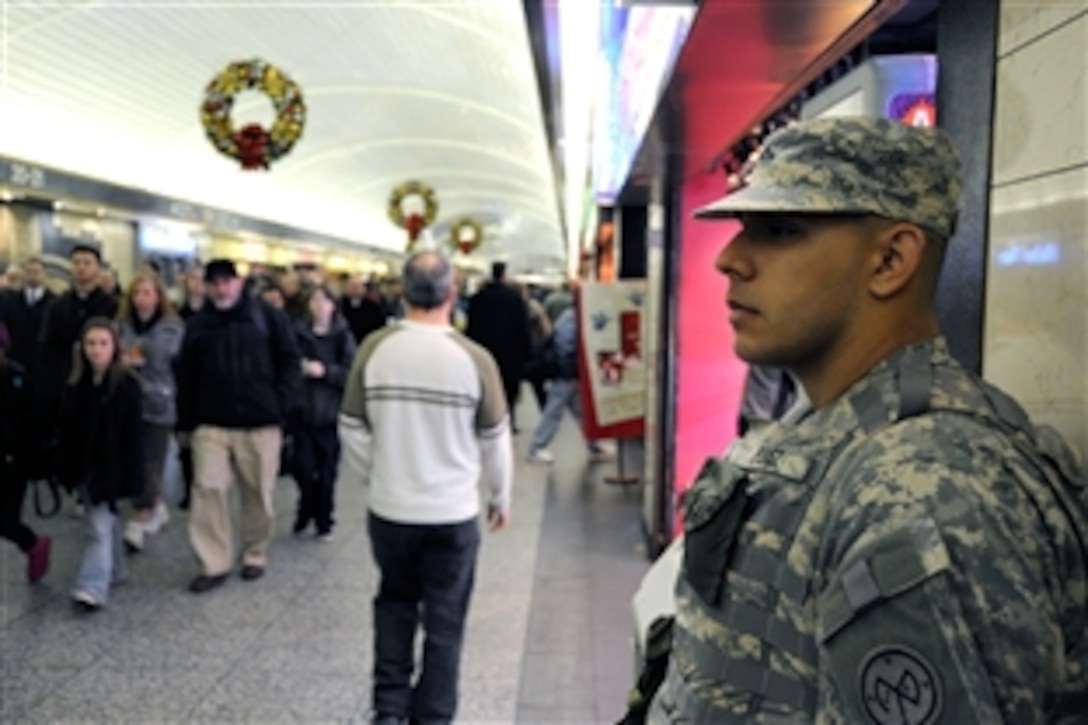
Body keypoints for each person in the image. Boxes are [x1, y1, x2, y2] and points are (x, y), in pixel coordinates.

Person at [642, 118, 1088, 722]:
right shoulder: (832, 435)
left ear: (890, 259)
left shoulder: (927, 487)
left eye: (780, 231)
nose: (730, 259)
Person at [338, 250, 513, 725]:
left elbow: (351, 427)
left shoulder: (375, 349)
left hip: (390, 511)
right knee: (445, 619)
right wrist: (500, 497)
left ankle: (390, 710)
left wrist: (378, 475)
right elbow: (496, 441)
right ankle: (433, 715)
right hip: (452, 515)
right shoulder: (475, 359)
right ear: (452, 294)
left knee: (394, 604)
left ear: (402, 291)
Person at [175, 259, 302, 594]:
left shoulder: (267, 317)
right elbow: (186, 375)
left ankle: (254, 553)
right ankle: (213, 562)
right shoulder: (199, 325)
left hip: (260, 422)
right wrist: (185, 422)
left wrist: (281, 404)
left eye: (227, 282)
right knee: (207, 489)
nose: (221, 289)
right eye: (214, 283)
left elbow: (291, 359)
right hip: (212, 423)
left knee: (258, 493)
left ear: (239, 283)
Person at [57, 318, 144, 611]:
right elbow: (67, 430)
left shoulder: (127, 386)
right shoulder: (75, 384)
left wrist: (135, 476)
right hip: (84, 464)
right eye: (90, 344)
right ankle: (116, 568)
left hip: (110, 466)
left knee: (97, 525)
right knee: (103, 520)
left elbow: (133, 436)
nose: (96, 350)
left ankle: (91, 585)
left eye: (103, 344)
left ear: (114, 347)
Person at [117, 273, 185, 552]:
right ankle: (155, 504)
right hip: (128, 401)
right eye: (137, 293)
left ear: (159, 297)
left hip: (160, 402)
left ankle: (141, 514)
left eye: (148, 293)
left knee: (151, 461)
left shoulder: (173, 328)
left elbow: (173, 362)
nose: (142, 299)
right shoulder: (121, 326)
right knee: (131, 458)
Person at [291, 286, 355, 540]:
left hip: (330, 413)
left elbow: (351, 374)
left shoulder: (343, 335)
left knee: (327, 472)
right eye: (314, 301)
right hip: (302, 410)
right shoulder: (298, 332)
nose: (318, 306)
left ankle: (324, 519)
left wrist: (326, 371)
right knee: (303, 468)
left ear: (333, 305)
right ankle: (306, 507)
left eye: (324, 301)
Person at [526, 306, 610, 465]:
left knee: (580, 409)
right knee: (555, 409)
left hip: (569, 371)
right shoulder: (572, 319)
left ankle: (593, 442)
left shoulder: (570, 317)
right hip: (567, 372)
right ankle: (536, 447)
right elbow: (565, 347)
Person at [0, 322, 51, 583]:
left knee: (6, 522)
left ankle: (33, 545)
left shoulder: (17, 378)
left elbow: (33, 423)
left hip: (12, 464)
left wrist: (31, 461)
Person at [0, 257, 56, 481]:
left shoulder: (54, 303)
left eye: (37, 271)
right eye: (29, 271)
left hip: (42, 372)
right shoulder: (8, 302)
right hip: (14, 367)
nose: (33, 275)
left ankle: (38, 464)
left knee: (39, 420)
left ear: (44, 275)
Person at [465, 261, 531, 433]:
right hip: (510, 352)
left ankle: (485, 420)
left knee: (485, 387)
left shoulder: (478, 298)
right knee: (509, 389)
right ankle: (508, 420)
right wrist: (527, 353)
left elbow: (471, 327)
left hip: (484, 350)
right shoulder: (514, 298)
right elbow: (522, 327)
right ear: (504, 275)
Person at [176, 265, 205, 511]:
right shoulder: (177, 313)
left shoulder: (213, 314)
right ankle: (188, 487)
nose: (196, 283)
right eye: (192, 279)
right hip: (182, 381)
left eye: (200, 279)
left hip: (206, 385)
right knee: (184, 442)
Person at [341, 278, 387, 345]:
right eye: (352, 287)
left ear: (364, 289)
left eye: (358, 287)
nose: (355, 289)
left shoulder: (374, 308)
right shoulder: (339, 306)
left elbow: (380, 328)